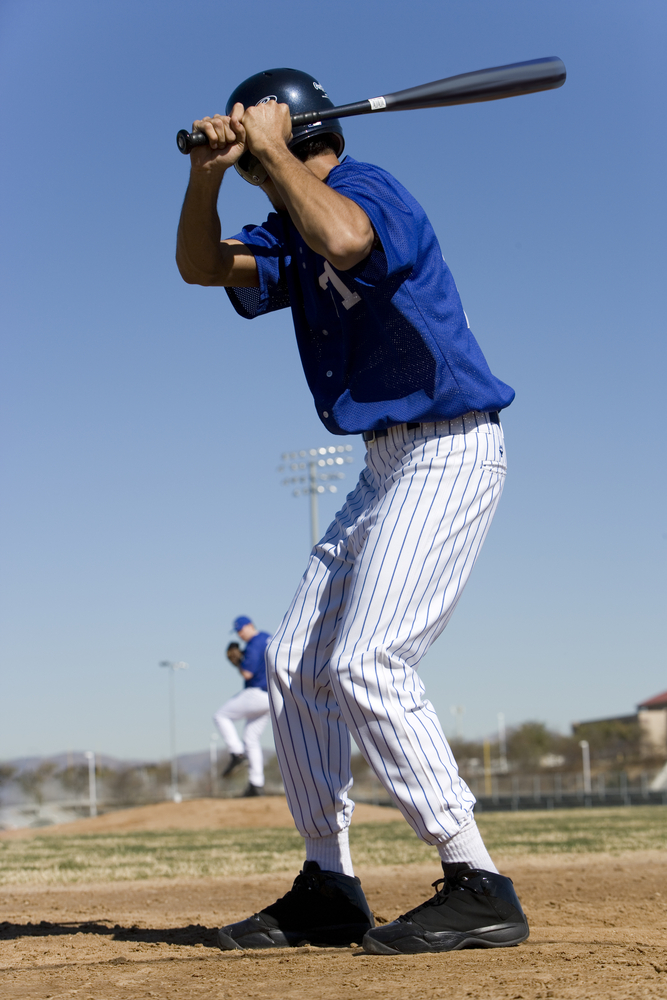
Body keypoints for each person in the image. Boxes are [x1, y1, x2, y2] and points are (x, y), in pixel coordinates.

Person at [177, 68, 529, 955]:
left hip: (449, 446)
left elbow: (343, 239)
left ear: (292, 137)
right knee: (295, 664)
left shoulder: (365, 190)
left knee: (370, 658)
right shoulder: (283, 223)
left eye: (263, 142)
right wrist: (209, 174)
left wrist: (268, 153)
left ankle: (475, 879)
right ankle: (328, 882)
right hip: (380, 466)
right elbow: (200, 266)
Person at [213, 616, 271, 797]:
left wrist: (238, 662)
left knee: (221, 716)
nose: (239, 634)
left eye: (241, 630)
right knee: (251, 739)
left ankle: (237, 753)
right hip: (271, 696)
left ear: (250, 626)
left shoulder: (255, 643)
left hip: (256, 693)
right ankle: (256, 784)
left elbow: (247, 673)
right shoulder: (268, 638)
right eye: (237, 632)